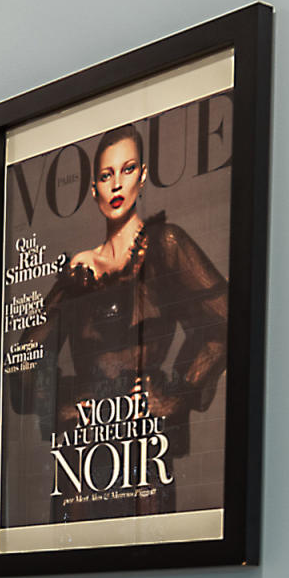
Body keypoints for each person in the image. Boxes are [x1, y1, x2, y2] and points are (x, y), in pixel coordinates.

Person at [34, 125, 232, 516]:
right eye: (106, 175)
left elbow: (223, 323)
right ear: (93, 189)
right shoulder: (78, 272)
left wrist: (175, 391)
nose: (116, 184)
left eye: (126, 171)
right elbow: (22, 360)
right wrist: (62, 402)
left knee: (145, 553)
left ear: (142, 177)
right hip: (81, 449)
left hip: (143, 443)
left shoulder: (165, 245)